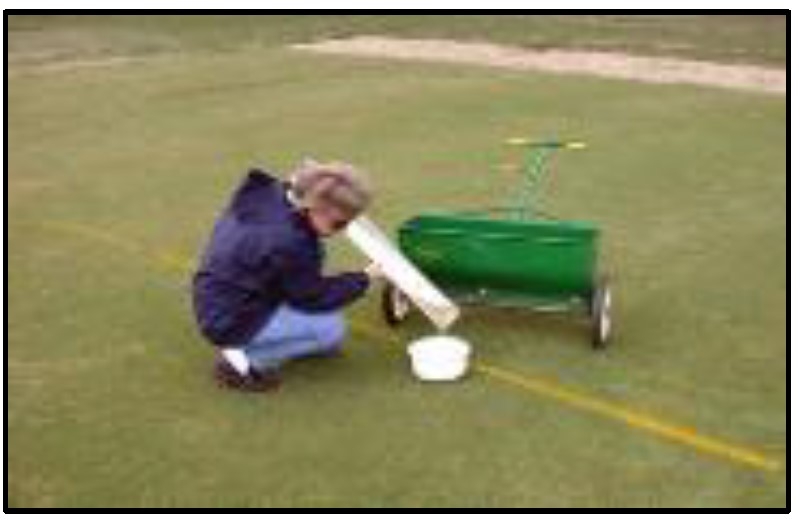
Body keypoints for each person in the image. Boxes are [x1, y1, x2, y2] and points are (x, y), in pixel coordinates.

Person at [192, 160, 381, 392]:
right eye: (340, 223)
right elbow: (313, 296)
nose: (342, 229)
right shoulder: (290, 242)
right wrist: (364, 278)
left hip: (222, 293)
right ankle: (240, 364)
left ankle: (264, 338)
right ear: (316, 207)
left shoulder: (271, 194)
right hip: (230, 317)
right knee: (330, 330)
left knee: (321, 323)